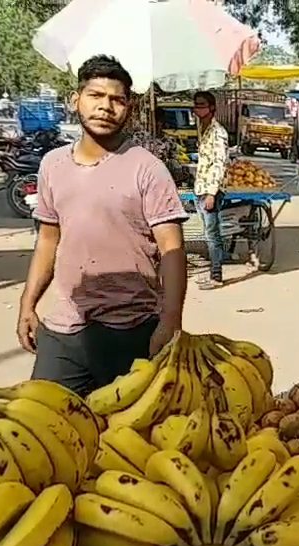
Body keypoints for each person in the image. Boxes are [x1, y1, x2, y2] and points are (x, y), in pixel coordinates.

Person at [17, 55, 188, 397]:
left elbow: (172, 248)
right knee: (43, 425)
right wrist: (27, 304)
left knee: (126, 439)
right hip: (65, 329)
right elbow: (48, 241)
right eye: (96, 95)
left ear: (129, 108)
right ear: (75, 100)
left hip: (133, 328)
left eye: (117, 99)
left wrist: (171, 320)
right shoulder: (52, 165)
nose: (105, 107)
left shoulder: (147, 168)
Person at [192, 90, 229, 290]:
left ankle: (216, 276)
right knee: (208, 233)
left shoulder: (218, 132)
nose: (198, 108)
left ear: (212, 108)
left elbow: (219, 164)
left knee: (213, 235)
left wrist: (212, 194)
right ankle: (212, 273)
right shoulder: (202, 128)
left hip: (210, 191)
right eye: (196, 105)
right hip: (201, 187)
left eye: (202, 105)